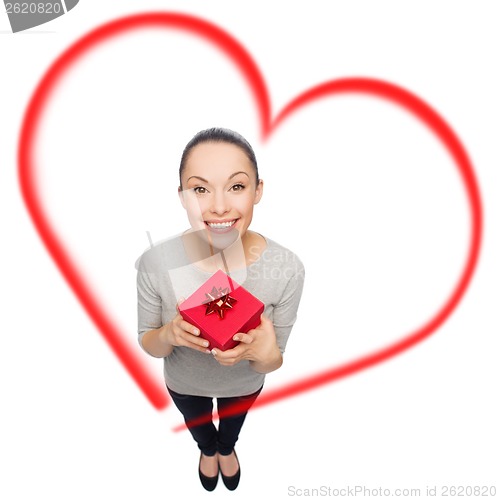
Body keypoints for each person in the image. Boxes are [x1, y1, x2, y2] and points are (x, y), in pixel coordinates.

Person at [136, 127, 305, 491]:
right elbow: (147, 342)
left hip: (244, 384)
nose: (218, 206)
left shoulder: (287, 268)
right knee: (198, 424)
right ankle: (206, 448)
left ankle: (226, 447)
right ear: (181, 196)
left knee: (233, 424)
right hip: (183, 383)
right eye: (200, 189)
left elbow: (275, 361)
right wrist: (168, 334)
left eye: (237, 186)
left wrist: (265, 353)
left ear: (258, 190)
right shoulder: (154, 262)